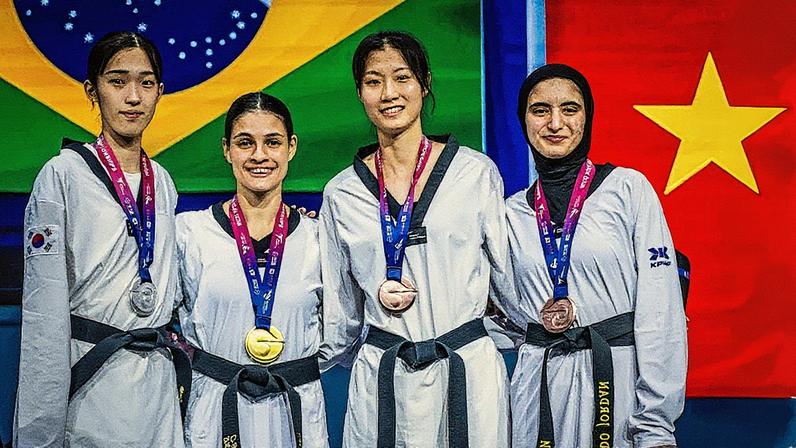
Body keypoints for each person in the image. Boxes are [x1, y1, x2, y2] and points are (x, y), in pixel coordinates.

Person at [319, 31, 512, 447]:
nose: (389, 93)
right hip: (384, 374)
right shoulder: (341, 192)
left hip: (466, 371)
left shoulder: (475, 173)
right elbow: (341, 309)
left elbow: (508, 280)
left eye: (402, 77)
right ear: (360, 93)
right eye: (373, 81)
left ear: (424, 83)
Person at [499, 63, 687, 448]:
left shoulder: (627, 190)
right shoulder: (510, 212)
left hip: (617, 382)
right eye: (540, 110)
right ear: (524, 121)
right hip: (537, 389)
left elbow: (661, 309)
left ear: (588, 117)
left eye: (569, 109)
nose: (555, 123)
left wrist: (656, 421)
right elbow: (497, 309)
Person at [14, 31, 187, 447]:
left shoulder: (162, 182)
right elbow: (43, 309)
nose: (133, 97)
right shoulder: (61, 175)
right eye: (117, 81)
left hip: (158, 384)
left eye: (146, 83)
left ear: (160, 92)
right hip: (92, 379)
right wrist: (41, 429)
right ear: (92, 90)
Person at [177, 92, 328, 448]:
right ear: (227, 149)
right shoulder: (190, 233)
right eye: (246, 143)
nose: (259, 155)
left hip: (295, 409)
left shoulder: (319, 237)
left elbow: (342, 329)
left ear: (291, 147)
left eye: (272, 142)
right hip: (215, 407)